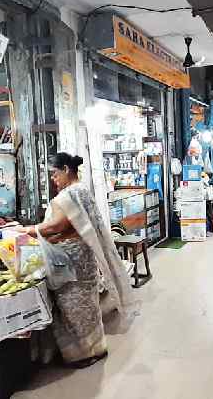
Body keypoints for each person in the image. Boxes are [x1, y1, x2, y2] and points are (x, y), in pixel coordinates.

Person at [24, 153, 134, 368]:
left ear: (66, 169)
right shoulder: (81, 190)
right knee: (87, 306)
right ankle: (96, 348)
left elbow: (56, 226)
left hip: (71, 263)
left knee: (75, 308)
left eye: (55, 174)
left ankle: (82, 354)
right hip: (82, 259)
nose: (53, 180)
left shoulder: (68, 196)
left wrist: (29, 230)